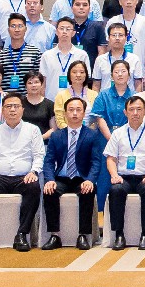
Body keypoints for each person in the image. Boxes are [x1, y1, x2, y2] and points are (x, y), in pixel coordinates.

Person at [40, 95, 104, 250]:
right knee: (49, 191)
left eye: (78, 110)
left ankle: (83, 235)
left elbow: (96, 162)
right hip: (61, 178)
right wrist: (49, 179)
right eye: (71, 110)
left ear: (83, 113)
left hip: (82, 178)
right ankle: (55, 235)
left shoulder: (92, 135)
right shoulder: (56, 135)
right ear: (65, 113)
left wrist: (90, 180)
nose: (75, 113)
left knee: (88, 191)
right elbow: (48, 161)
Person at [105, 95, 145, 250]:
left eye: (139, 109)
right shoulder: (117, 133)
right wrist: (114, 175)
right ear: (125, 112)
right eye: (131, 109)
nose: (135, 113)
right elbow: (111, 158)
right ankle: (119, 235)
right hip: (123, 177)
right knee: (116, 190)